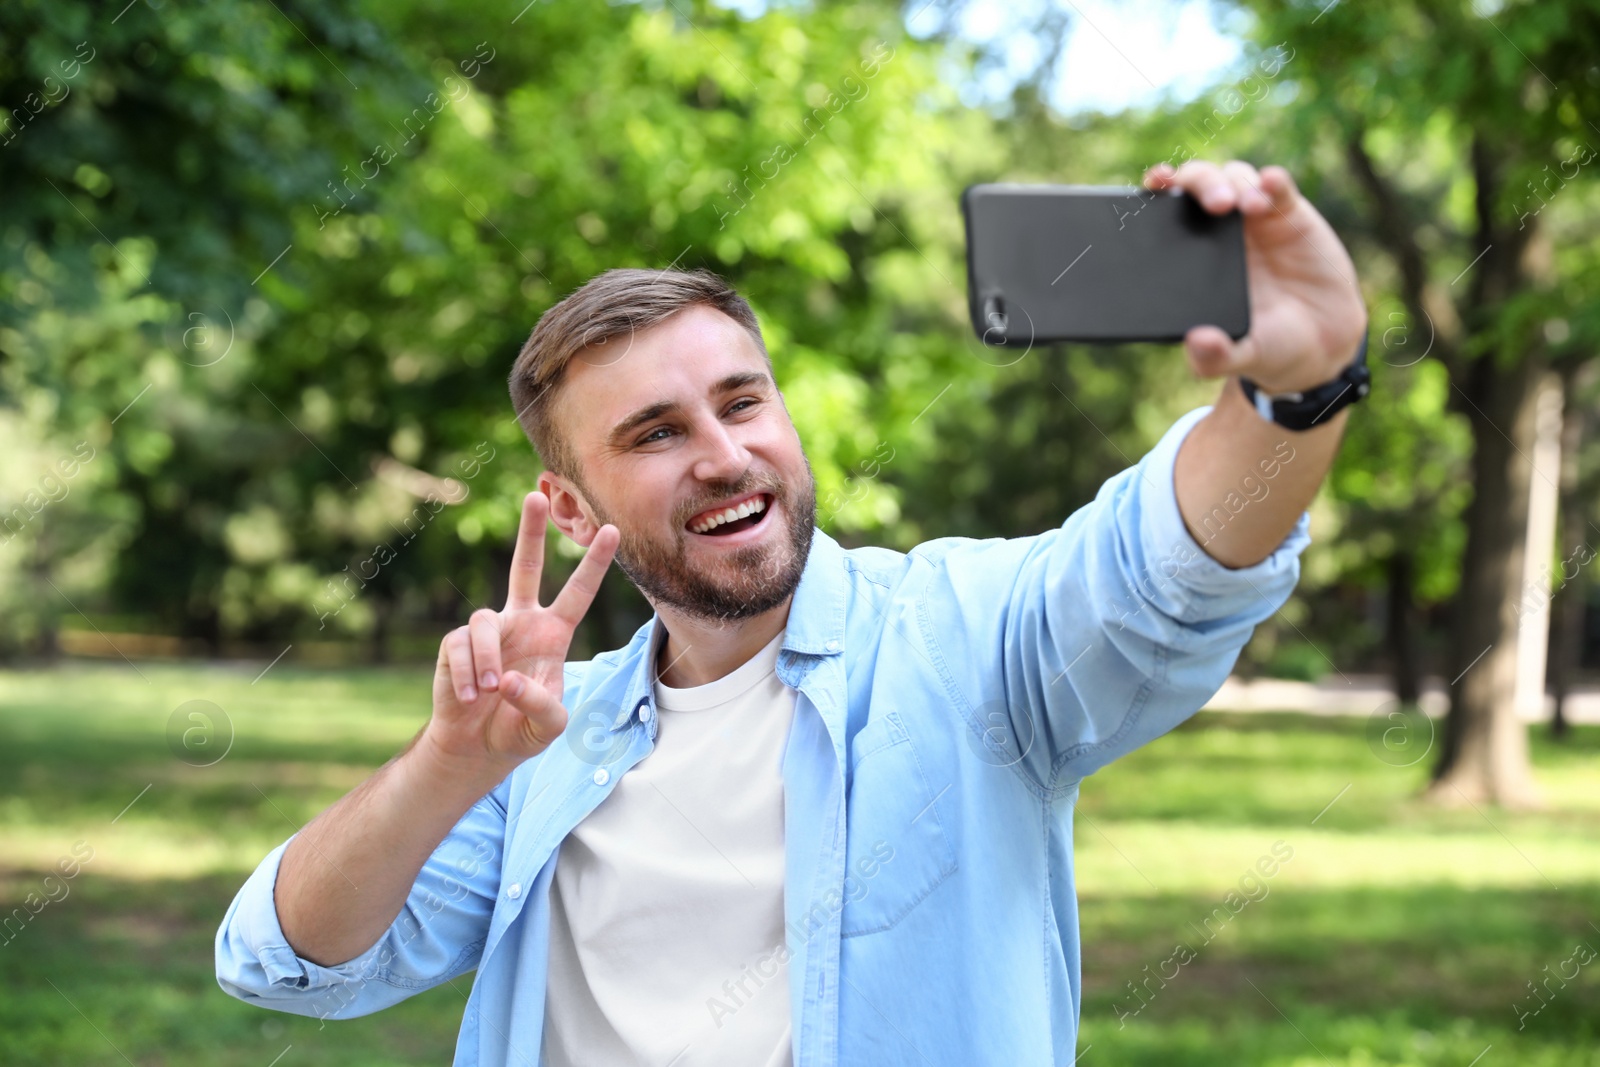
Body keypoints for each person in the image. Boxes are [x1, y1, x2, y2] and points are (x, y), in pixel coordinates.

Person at [215, 158, 1370, 1066]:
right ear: (568, 507)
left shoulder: (958, 637)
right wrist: (444, 762)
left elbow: (1159, 576)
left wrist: (1297, 392)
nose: (725, 457)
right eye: (656, 432)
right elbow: (281, 958)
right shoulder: (538, 739)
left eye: (741, 402)